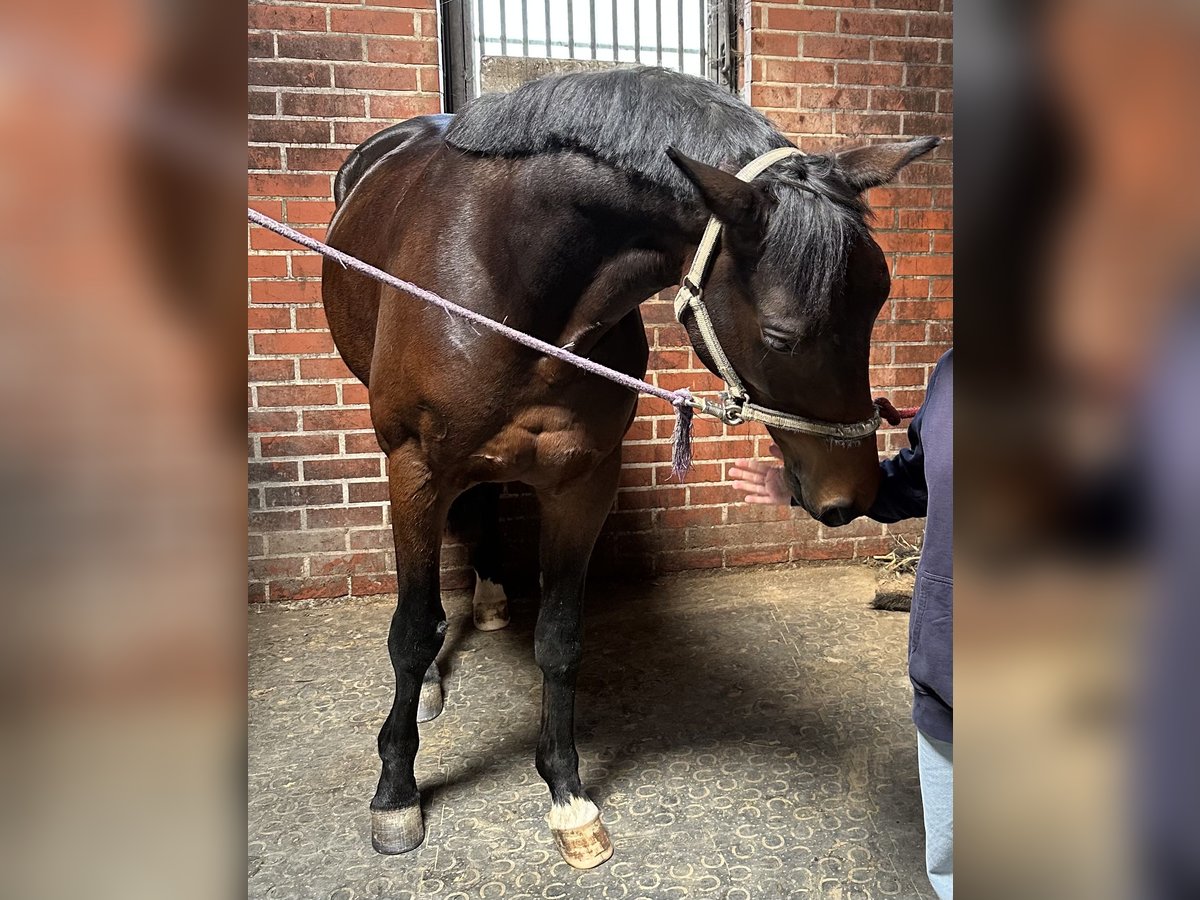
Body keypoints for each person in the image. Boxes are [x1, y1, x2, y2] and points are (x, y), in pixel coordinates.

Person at [730, 349, 953, 899]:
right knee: (953, 866)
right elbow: (915, 480)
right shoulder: (955, 373)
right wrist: (803, 490)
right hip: (949, 674)